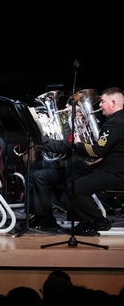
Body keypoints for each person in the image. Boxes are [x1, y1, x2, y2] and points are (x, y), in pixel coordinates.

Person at [38, 86, 123, 236]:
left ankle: (98, 221)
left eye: (102, 102)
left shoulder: (115, 122)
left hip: (115, 173)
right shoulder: (117, 120)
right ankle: (86, 222)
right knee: (73, 183)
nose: (100, 105)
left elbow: (97, 151)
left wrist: (78, 144)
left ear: (113, 102)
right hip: (111, 170)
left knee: (75, 188)